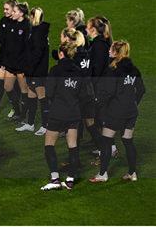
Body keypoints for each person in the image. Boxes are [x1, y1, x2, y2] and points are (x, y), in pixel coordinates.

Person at [90, 41, 145, 183]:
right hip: (131, 112)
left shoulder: (113, 70)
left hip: (115, 112)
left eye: (111, 50)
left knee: (106, 142)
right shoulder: (134, 70)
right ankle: (132, 173)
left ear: (116, 53)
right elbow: (141, 90)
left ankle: (103, 174)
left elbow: (108, 93)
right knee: (128, 141)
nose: (108, 51)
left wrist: (98, 105)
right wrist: (133, 103)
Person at [40, 42, 93, 191]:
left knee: (49, 145)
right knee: (73, 146)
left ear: (61, 54)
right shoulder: (79, 72)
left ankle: (55, 179)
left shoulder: (55, 70)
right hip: (74, 113)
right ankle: (70, 180)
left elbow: (49, 93)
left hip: (57, 113)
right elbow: (84, 95)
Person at [86, 16, 116, 158]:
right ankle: (110, 146)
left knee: (101, 118)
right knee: (101, 118)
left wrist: (92, 86)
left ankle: (110, 148)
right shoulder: (102, 43)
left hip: (100, 87)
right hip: (103, 86)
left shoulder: (98, 45)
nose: (86, 29)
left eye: (87, 26)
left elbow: (97, 69)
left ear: (93, 29)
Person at [16, 7, 49, 134]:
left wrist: (28, 67)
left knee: (42, 97)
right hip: (32, 69)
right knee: (31, 96)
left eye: (31, 16)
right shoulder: (36, 30)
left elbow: (37, 54)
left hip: (37, 70)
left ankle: (45, 125)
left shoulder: (39, 32)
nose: (29, 18)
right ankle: (30, 123)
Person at [1, 2, 31, 121]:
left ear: (21, 13)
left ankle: (23, 115)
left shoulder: (27, 26)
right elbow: (7, 44)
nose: (11, 13)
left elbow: (28, 47)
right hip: (11, 63)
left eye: (14, 11)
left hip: (21, 64)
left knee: (24, 90)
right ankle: (17, 110)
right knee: (7, 87)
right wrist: (4, 60)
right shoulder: (11, 24)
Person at [0, 0, 17, 115]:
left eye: (7, 9)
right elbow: (0, 35)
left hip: (13, 59)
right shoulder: (3, 20)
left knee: (9, 86)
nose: (5, 11)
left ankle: (16, 108)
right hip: (3, 56)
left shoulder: (18, 24)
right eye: (4, 9)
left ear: (13, 10)